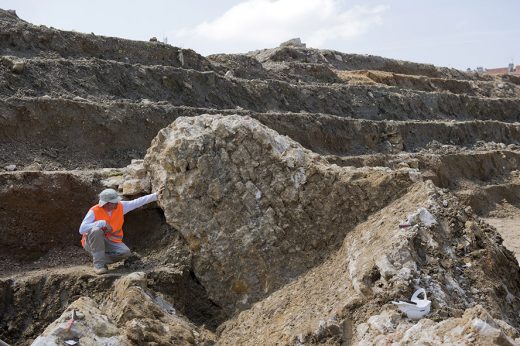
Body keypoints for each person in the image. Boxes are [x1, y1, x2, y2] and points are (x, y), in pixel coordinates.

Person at [79, 187, 163, 274]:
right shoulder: (94, 211)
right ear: (106, 203)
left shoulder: (120, 206)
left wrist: (155, 195)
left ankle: (98, 257)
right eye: (114, 202)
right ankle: (99, 265)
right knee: (96, 230)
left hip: (111, 241)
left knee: (125, 253)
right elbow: (82, 229)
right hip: (92, 242)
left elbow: (136, 202)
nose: (117, 203)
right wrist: (101, 223)